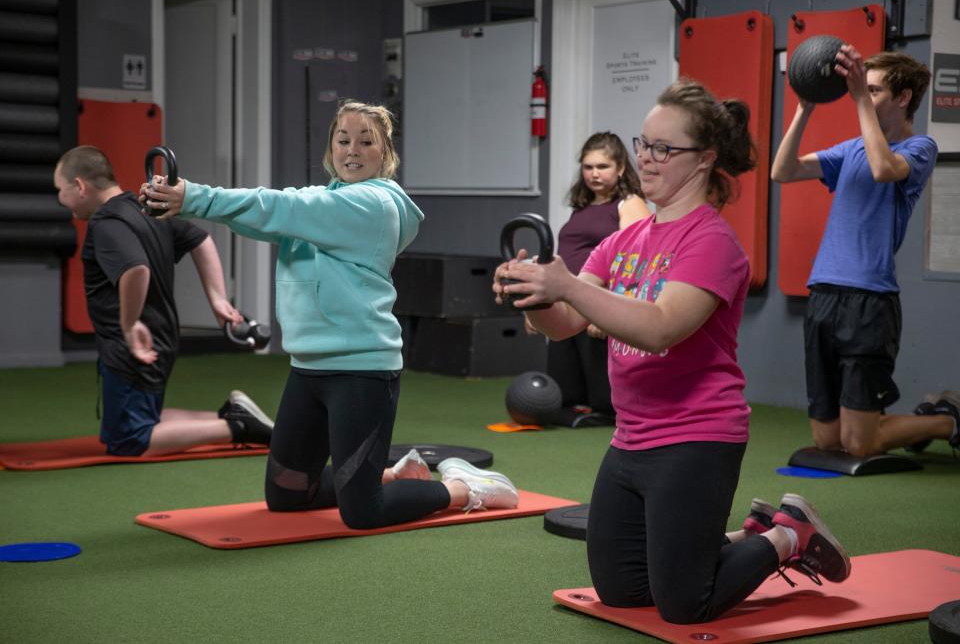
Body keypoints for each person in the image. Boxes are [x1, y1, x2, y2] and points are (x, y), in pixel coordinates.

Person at [493, 80, 850, 624]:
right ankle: (743, 535)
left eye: (664, 148)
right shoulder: (622, 243)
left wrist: (566, 285)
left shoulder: (713, 243)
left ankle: (785, 536)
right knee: (623, 590)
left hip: (697, 438)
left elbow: (661, 327)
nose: (646, 159)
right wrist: (533, 294)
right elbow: (564, 323)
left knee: (685, 604)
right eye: (644, 144)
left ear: (705, 159)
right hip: (631, 439)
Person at [141, 100, 518, 529]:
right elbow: (265, 218)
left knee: (362, 512)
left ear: (386, 155)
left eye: (365, 141)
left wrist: (191, 196)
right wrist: (188, 204)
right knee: (287, 493)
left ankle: (467, 489)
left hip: (361, 368)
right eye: (343, 140)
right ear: (331, 149)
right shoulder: (322, 201)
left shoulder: (374, 205)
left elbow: (280, 209)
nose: (352, 150)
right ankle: (392, 474)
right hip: (308, 367)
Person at [771, 46, 957, 458]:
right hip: (823, 295)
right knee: (827, 439)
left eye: (873, 90)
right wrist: (805, 109)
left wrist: (857, 100)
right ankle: (911, 426)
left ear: (903, 97)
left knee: (859, 443)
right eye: (863, 89)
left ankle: (946, 420)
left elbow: (883, 169)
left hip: (869, 301)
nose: (863, 94)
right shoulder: (851, 149)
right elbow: (782, 171)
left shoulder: (920, 148)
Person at [53, 145, 274, 457]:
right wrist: (218, 299)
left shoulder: (106, 224)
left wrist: (130, 326)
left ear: (80, 186)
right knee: (141, 421)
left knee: (129, 441)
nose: (60, 199)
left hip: (134, 346)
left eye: (60, 190)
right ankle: (234, 416)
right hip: (160, 336)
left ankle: (238, 427)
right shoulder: (145, 209)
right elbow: (202, 240)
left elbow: (136, 269)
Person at [533, 132, 648, 426]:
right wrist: (540, 307)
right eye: (588, 167)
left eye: (603, 166)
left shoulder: (628, 203)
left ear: (621, 167)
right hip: (566, 300)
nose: (594, 174)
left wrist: (609, 310)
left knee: (603, 397)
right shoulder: (581, 208)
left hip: (598, 299)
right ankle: (577, 411)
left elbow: (636, 259)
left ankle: (602, 413)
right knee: (564, 391)